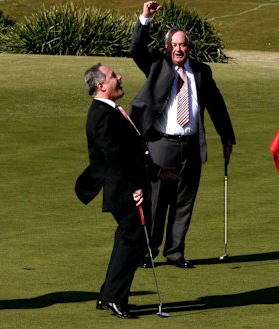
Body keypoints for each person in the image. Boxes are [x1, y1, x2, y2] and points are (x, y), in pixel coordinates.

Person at [129, 1, 236, 269]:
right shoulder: (157, 65)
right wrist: (145, 18)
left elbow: (217, 105)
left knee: (183, 202)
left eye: (183, 44)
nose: (179, 49)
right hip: (161, 144)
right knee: (156, 202)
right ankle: (149, 251)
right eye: (174, 45)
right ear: (168, 48)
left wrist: (226, 137)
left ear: (189, 47)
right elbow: (136, 49)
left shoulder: (201, 71)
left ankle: (176, 253)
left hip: (190, 145)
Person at [75, 63, 177, 318]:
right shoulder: (100, 113)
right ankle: (113, 297)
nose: (119, 77)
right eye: (112, 76)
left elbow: (133, 151)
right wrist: (136, 185)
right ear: (101, 85)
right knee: (133, 239)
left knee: (128, 238)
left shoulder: (111, 110)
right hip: (123, 189)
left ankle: (108, 295)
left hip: (128, 185)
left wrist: (155, 172)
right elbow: (114, 155)